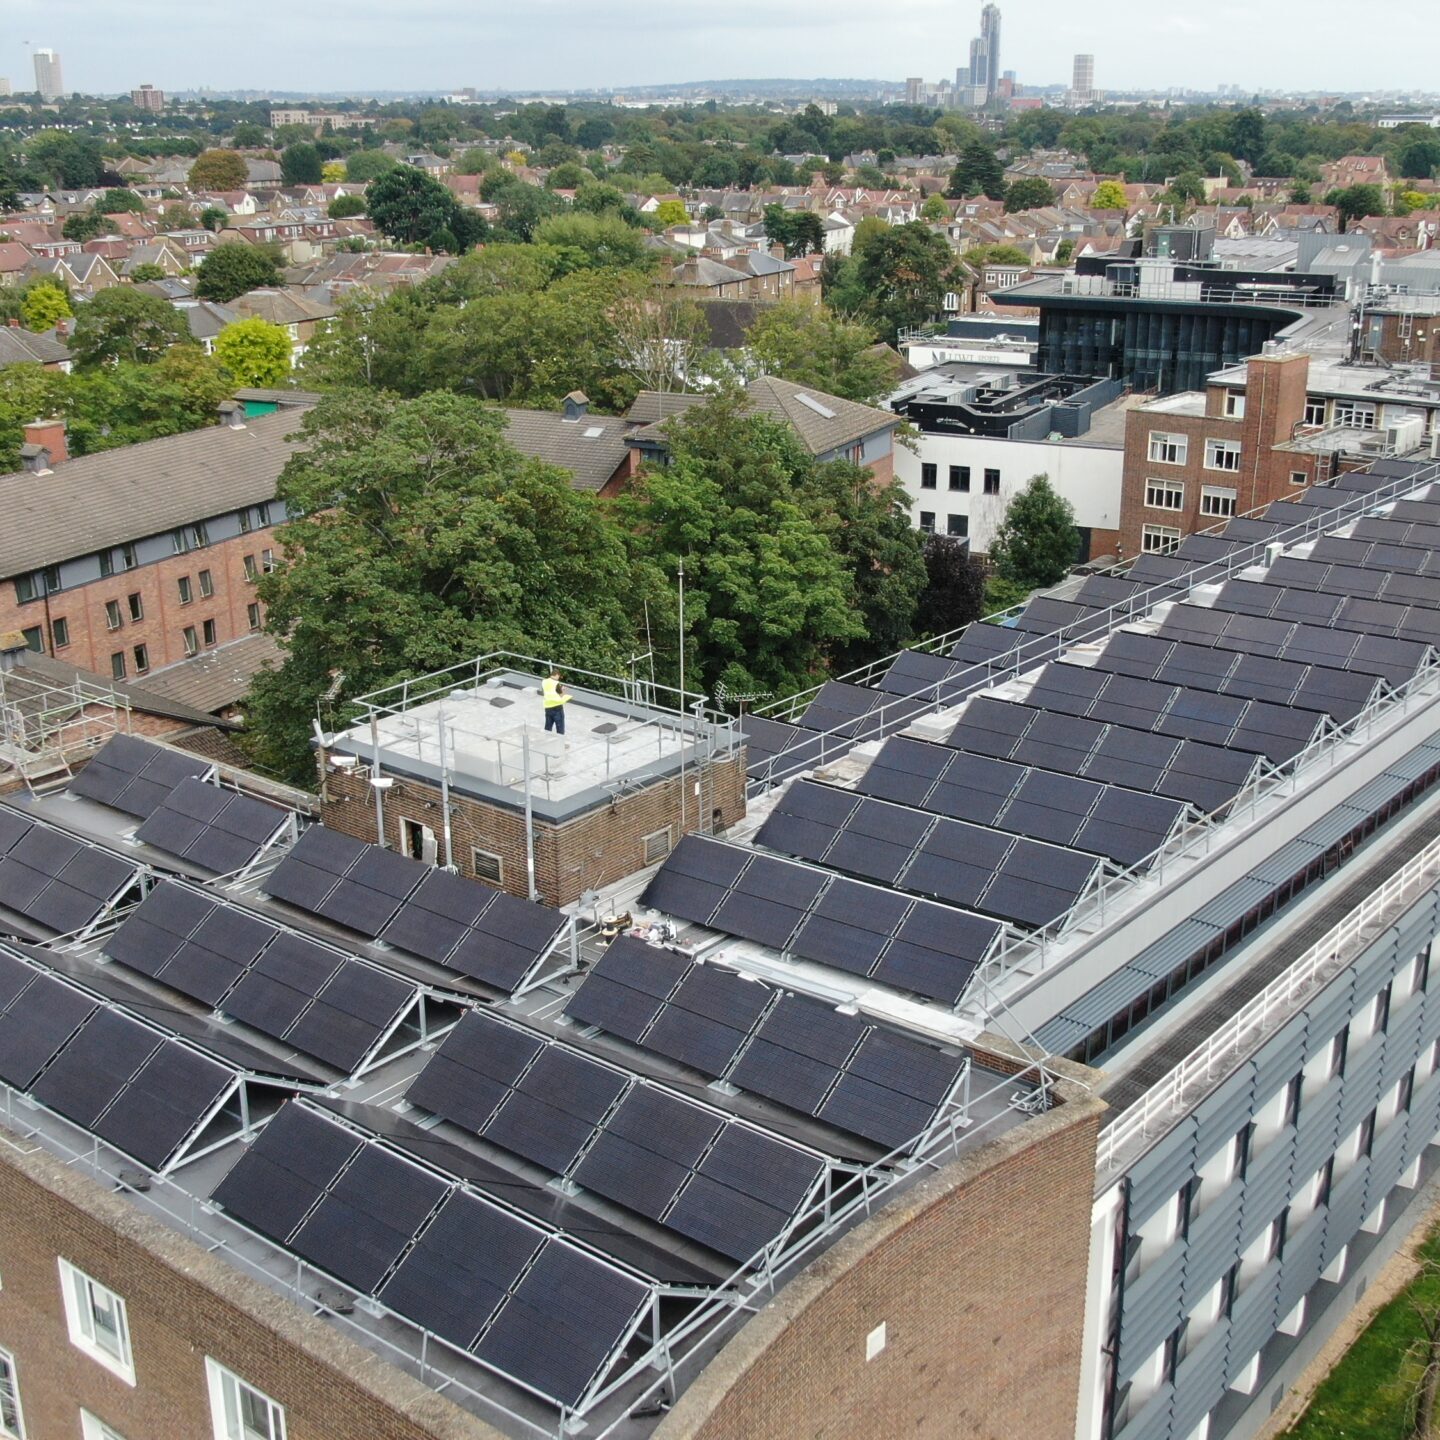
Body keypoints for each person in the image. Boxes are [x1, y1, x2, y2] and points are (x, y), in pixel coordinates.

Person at [541, 669, 569, 735]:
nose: (558, 678)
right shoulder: (556, 683)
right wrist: (563, 690)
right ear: (557, 675)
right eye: (559, 676)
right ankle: (560, 741)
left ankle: (546, 738)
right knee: (560, 729)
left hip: (548, 706)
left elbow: (544, 692)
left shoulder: (544, 681)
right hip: (557, 708)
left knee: (548, 728)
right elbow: (561, 695)